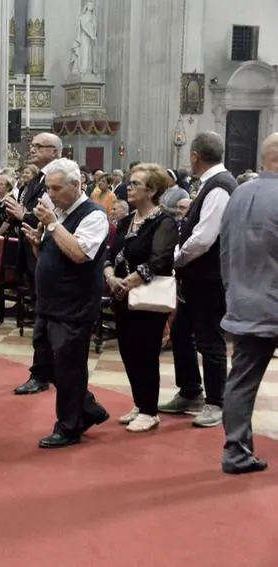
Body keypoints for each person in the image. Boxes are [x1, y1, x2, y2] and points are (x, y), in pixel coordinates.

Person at [20, 158, 110, 448]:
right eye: (48, 188)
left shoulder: (93, 215)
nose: (51, 194)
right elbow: (52, 256)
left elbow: (79, 254)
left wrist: (52, 226)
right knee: (49, 366)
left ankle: (69, 427)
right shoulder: (57, 213)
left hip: (74, 305)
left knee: (69, 368)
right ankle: (87, 407)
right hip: (50, 303)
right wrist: (38, 242)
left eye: (57, 188)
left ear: (77, 185)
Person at [160, 132, 237, 428]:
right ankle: (190, 390)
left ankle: (217, 402)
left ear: (195, 157)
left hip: (209, 277)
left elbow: (204, 238)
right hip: (197, 278)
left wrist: (176, 257)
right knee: (181, 333)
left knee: (210, 339)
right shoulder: (214, 184)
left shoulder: (219, 186)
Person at [219, 132, 278, 475]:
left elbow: (224, 251)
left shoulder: (239, 194)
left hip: (244, 301)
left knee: (240, 382)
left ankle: (236, 453)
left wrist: (233, 292)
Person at [103, 163, 178, 433]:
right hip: (123, 296)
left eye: (135, 184)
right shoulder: (126, 220)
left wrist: (129, 281)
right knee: (128, 351)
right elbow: (111, 254)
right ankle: (139, 402)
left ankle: (150, 410)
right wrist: (111, 277)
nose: (129, 187)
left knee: (146, 353)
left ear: (153, 190)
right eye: (130, 183)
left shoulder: (164, 221)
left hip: (147, 297)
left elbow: (160, 260)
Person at [6, 132, 61, 395]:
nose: (33, 149)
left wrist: (22, 213)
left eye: (40, 146)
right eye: (33, 145)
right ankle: (44, 370)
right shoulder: (36, 178)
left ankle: (42, 373)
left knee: (45, 317)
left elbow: (53, 214)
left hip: (47, 252)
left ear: (55, 151)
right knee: (41, 314)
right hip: (33, 251)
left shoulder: (56, 177)